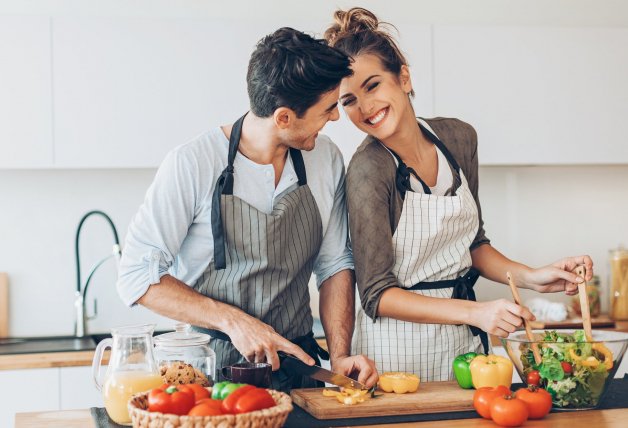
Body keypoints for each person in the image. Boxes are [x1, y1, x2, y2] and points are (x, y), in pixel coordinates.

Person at [324, 8, 594, 381]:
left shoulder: (458, 139)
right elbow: (376, 295)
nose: (364, 108)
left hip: (464, 349)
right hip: (396, 356)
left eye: (372, 86)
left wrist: (532, 277)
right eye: (348, 100)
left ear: (403, 76)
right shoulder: (369, 170)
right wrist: (477, 313)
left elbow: (473, 245)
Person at [116, 27, 378, 391]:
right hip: (210, 376)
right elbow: (136, 276)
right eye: (327, 109)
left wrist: (338, 357)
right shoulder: (192, 164)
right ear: (283, 117)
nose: (335, 117)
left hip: (297, 371)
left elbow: (334, 265)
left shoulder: (326, 159)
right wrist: (234, 321)